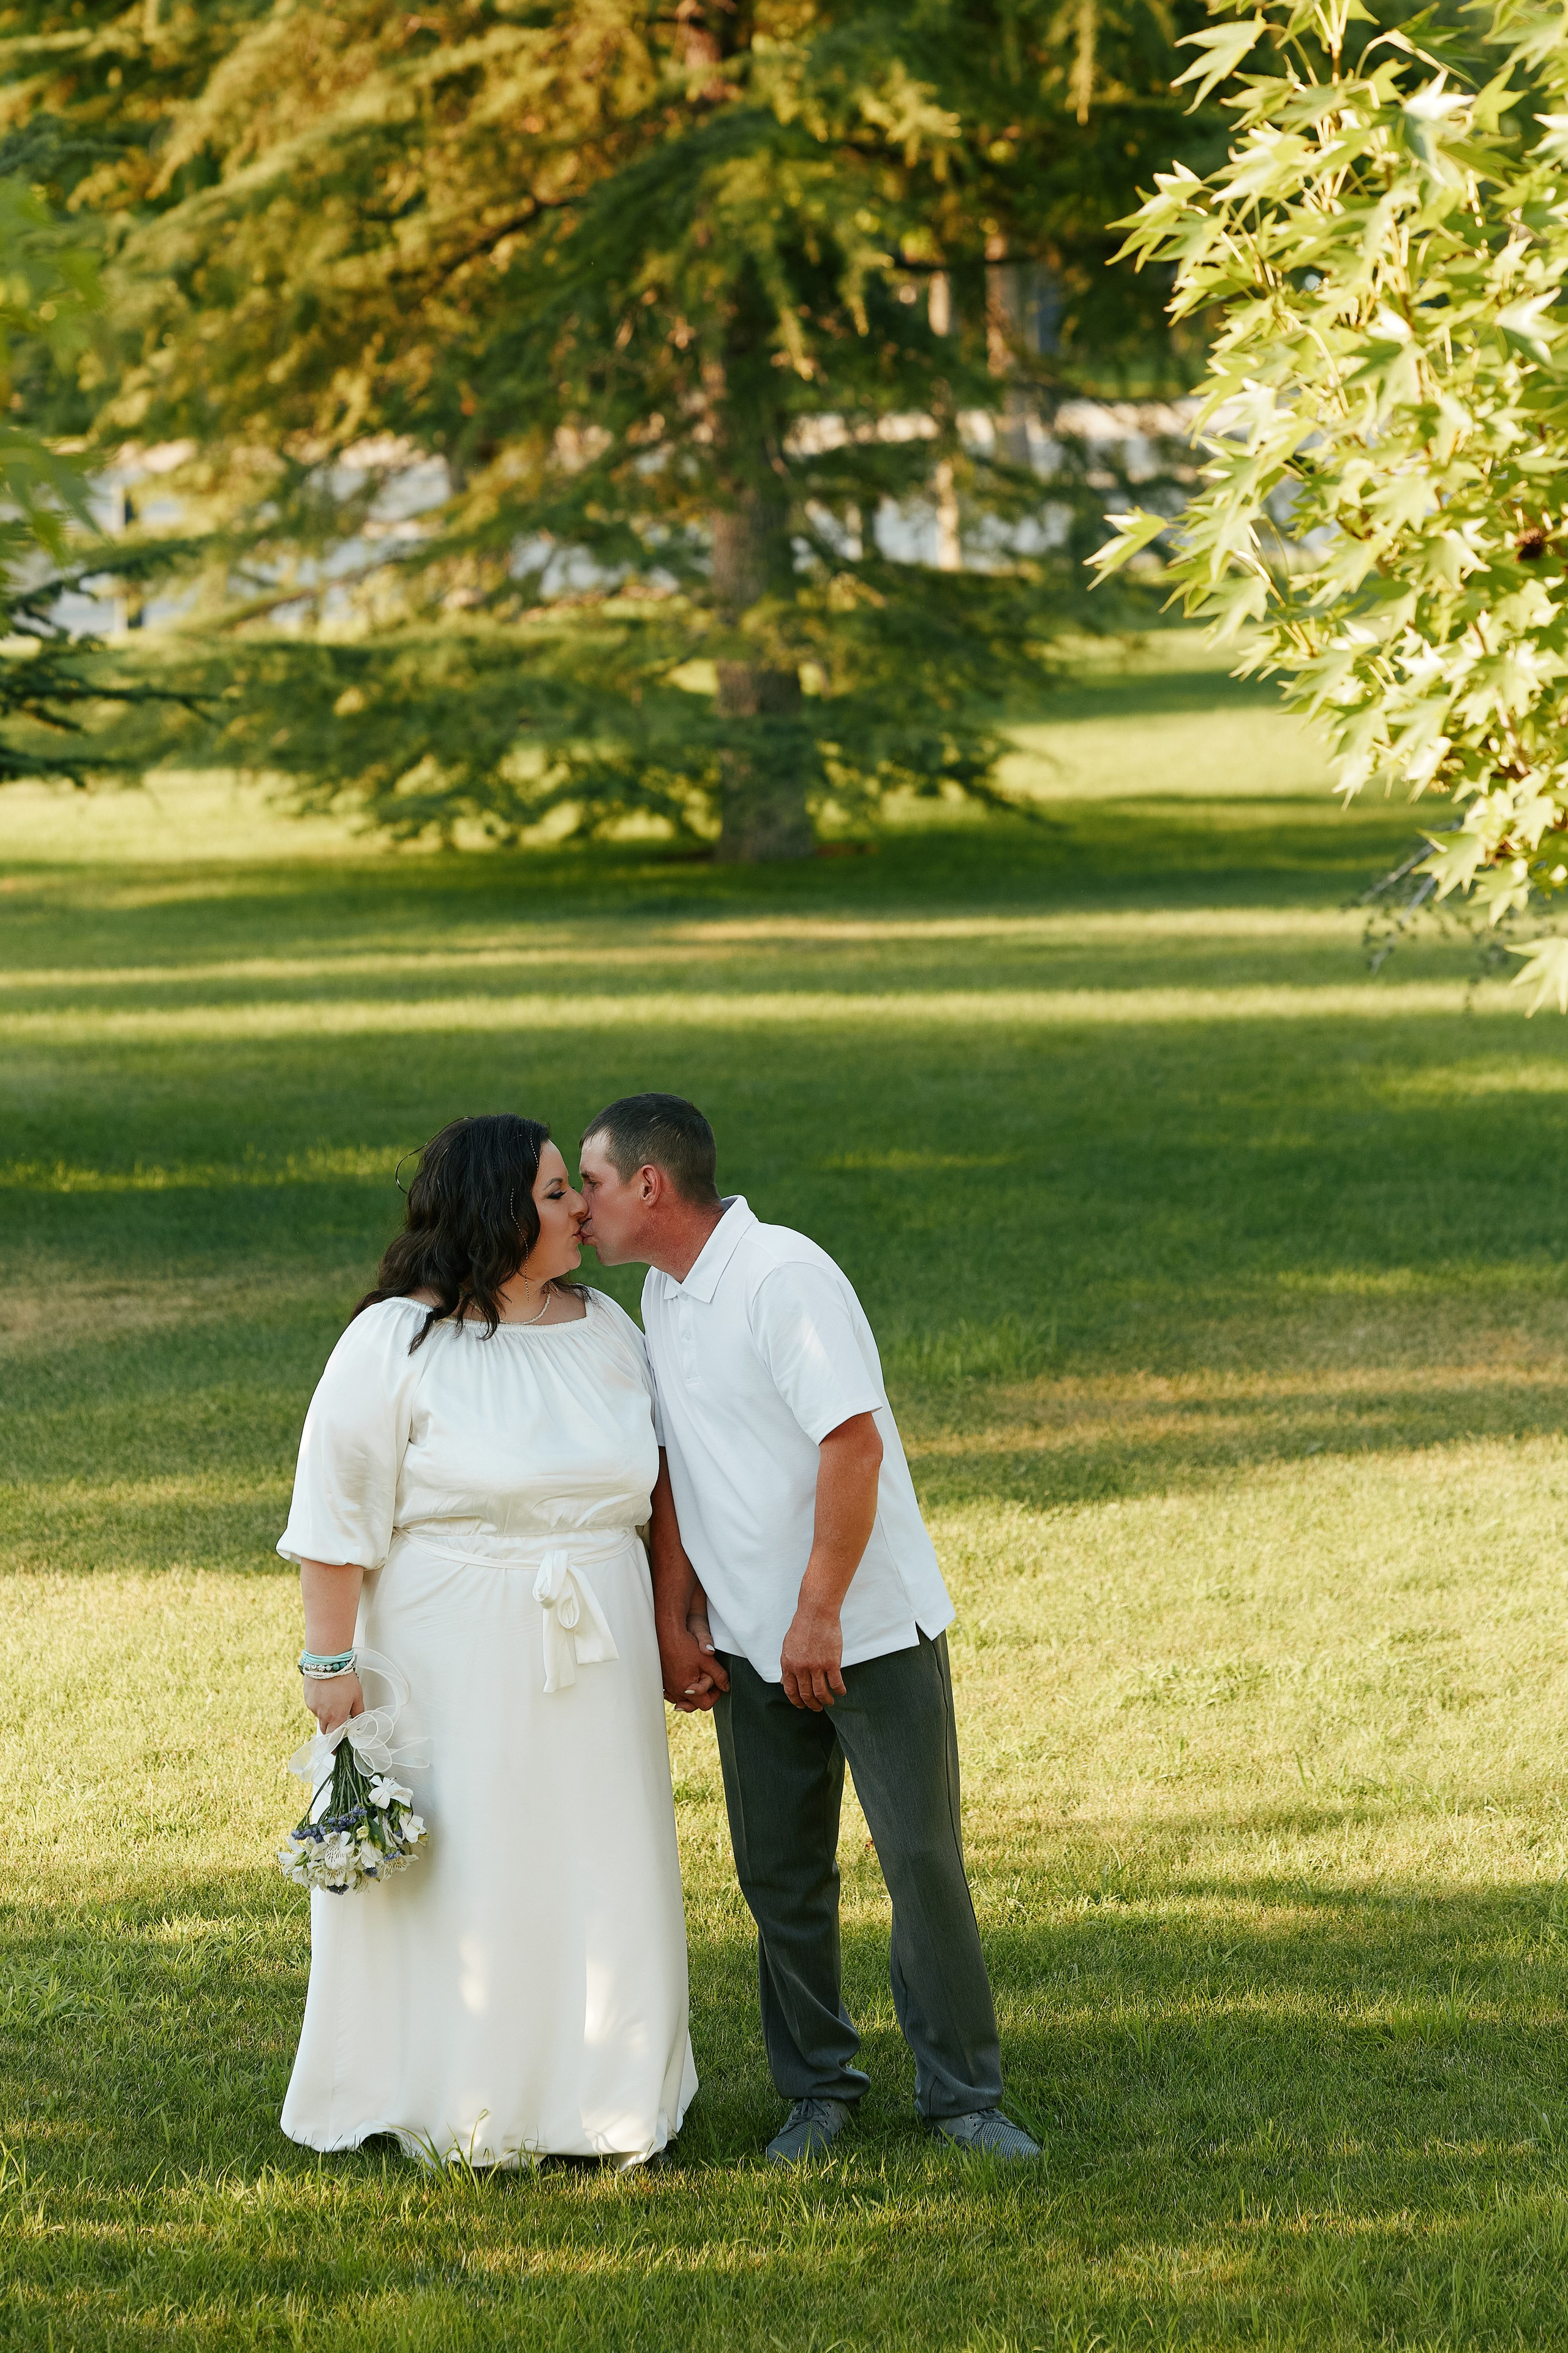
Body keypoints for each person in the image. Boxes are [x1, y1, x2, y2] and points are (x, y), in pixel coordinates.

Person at [578, 1093, 1038, 2165]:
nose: (580, 1207)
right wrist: (680, 1611)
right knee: (778, 1874)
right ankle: (818, 2088)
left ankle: (964, 2094)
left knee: (920, 1858)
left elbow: (853, 1446)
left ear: (650, 1184)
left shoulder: (783, 1277)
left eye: (591, 1183)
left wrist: (819, 1611)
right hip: (747, 1640)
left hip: (863, 1630)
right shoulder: (661, 1291)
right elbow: (678, 1470)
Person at [276, 1112, 695, 2169]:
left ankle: (598, 2092)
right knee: (469, 1866)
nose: (580, 1211)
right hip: (446, 1653)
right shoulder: (393, 1343)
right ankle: (445, 2090)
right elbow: (335, 1517)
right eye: (557, 1194)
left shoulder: (605, 1327)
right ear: (498, 1210)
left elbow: (662, 1484)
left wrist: (673, 1616)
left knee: (595, 1860)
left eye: (574, 1189)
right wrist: (332, 1670)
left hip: (596, 1656)